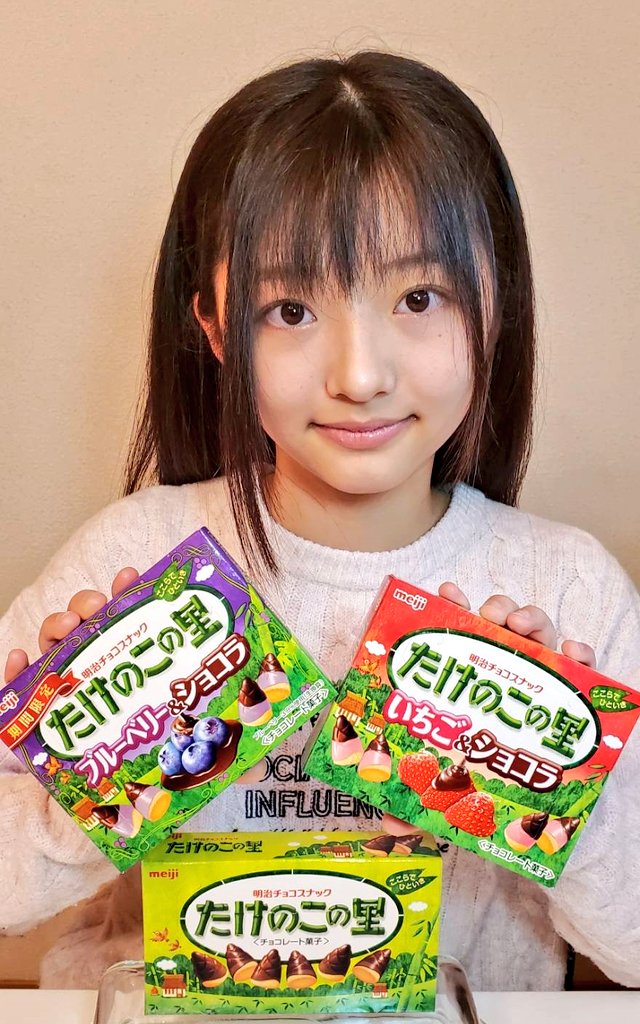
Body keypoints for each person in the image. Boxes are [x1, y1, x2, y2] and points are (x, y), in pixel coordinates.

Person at [1, 50, 639, 993]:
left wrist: (543, 779)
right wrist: (98, 779)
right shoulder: (136, 558)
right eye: (290, 309)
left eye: (418, 298)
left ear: (495, 302)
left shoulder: (567, 587)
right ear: (215, 329)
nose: (360, 375)